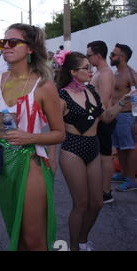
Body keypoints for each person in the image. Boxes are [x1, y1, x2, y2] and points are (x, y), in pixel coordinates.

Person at [0, 24, 65, 251]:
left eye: (13, 42)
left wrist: (30, 137)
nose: (5, 46)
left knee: (33, 238)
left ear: (30, 49)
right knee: (15, 232)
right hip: (2, 165)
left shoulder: (43, 86)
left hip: (30, 162)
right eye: (3, 42)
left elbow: (59, 133)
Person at [57, 52, 131, 251]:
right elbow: (54, 129)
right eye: (86, 68)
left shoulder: (91, 91)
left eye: (91, 67)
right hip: (73, 149)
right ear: (73, 72)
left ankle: (82, 240)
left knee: (97, 202)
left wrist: (123, 101)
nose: (91, 71)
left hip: (93, 146)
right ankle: (73, 246)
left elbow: (105, 117)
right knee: (80, 203)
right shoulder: (61, 96)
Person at [86, 41, 116, 203]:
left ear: (98, 55)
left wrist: (94, 122)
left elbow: (103, 102)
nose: (88, 58)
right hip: (98, 119)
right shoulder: (99, 72)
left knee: (105, 156)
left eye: (89, 55)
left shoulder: (105, 74)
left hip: (102, 120)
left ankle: (105, 192)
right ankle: (101, 189)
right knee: (100, 156)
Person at [109, 43, 137, 192]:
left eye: (113, 54)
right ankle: (124, 173)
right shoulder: (116, 73)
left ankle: (132, 180)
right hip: (116, 115)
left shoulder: (130, 74)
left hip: (126, 117)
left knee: (129, 147)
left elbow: (136, 97)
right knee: (120, 147)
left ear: (122, 57)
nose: (110, 57)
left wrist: (136, 120)